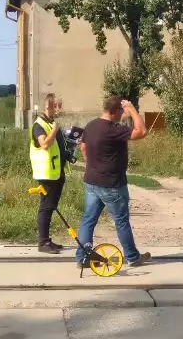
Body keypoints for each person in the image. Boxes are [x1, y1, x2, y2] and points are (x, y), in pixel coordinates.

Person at [76, 95, 152, 268]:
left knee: (88, 221)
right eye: (121, 111)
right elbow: (142, 131)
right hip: (112, 185)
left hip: (91, 181)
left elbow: (83, 147)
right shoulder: (113, 130)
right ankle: (133, 257)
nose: (123, 114)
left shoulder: (91, 125)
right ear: (115, 111)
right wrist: (132, 109)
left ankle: (82, 258)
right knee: (121, 221)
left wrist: (92, 165)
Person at [30, 93, 69, 254]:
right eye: (57, 106)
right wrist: (54, 130)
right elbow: (45, 144)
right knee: (45, 207)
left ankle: (47, 240)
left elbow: (57, 148)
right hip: (46, 174)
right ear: (49, 107)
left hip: (56, 172)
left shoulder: (52, 123)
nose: (60, 109)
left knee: (51, 207)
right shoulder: (39, 125)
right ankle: (42, 242)